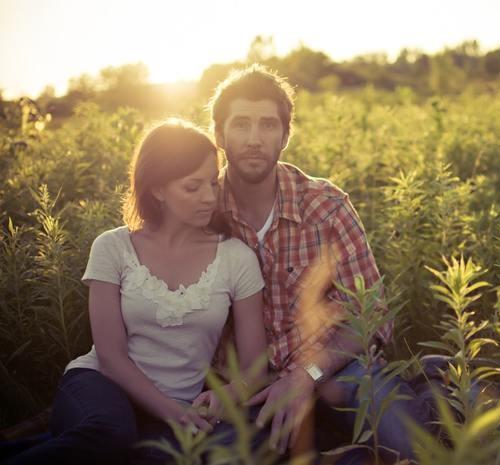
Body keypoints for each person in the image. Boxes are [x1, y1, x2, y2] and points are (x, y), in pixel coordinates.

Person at [3, 119, 268, 465]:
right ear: (157, 189)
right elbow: (111, 357)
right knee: (111, 433)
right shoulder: (113, 247)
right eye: (192, 187)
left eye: (212, 184)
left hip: (179, 406)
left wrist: (231, 393)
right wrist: (173, 412)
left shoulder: (237, 258)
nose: (209, 197)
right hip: (99, 387)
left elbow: (255, 367)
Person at [209, 64, 431, 463]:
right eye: (241, 124)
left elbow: (372, 315)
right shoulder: (202, 213)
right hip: (249, 388)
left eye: (268, 125)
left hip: (336, 372)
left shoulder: (325, 207)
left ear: (286, 135)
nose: (255, 139)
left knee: (414, 448)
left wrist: (305, 376)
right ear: (219, 134)